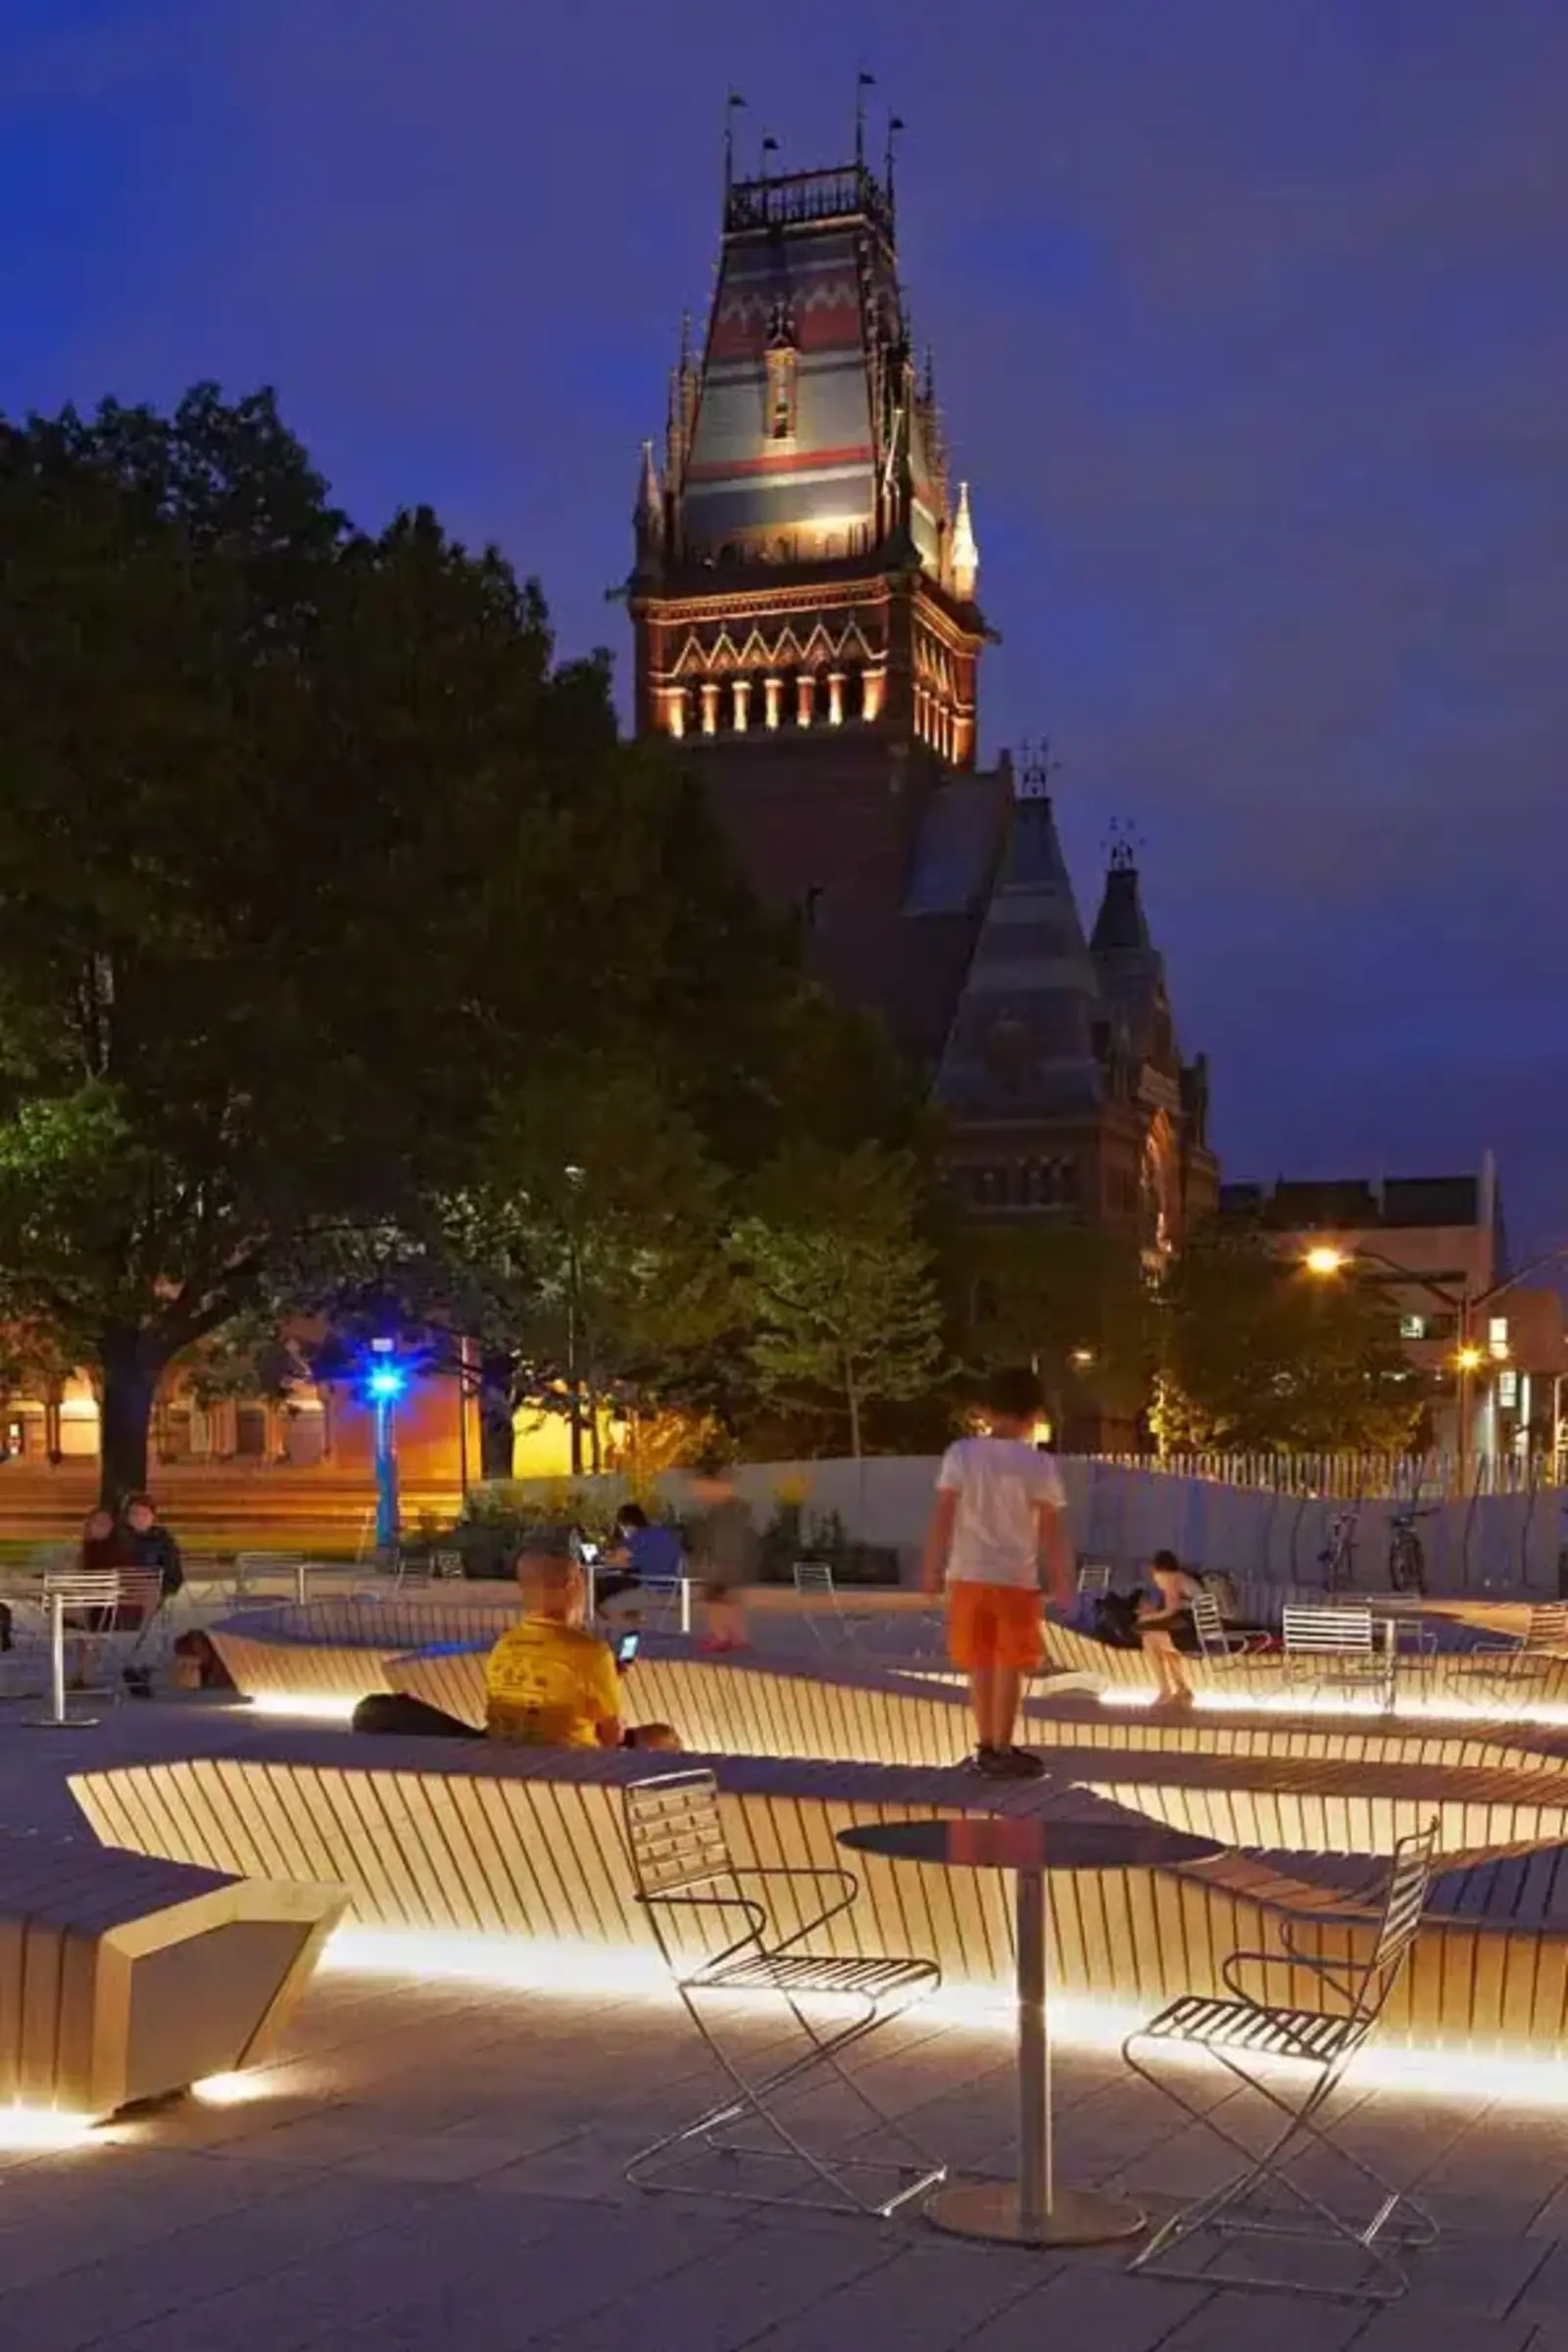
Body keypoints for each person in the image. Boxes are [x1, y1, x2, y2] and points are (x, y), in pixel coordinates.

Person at [921, 1366, 1072, 1779]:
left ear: (986, 1410)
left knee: (980, 1662)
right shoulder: (1037, 1465)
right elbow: (1052, 1530)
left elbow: (943, 1514)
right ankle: (1003, 1748)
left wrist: (931, 1566)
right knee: (1010, 1663)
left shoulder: (961, 1455)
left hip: (966, 1574)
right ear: (1034, 1415)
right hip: (1014, 1578)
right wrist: (1061, 1580)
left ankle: (985, 1743)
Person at [484, 1539, 624, 1748]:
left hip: (506, 1765)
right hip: (572, 1771)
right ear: (572, 1587)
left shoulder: (502, 1646)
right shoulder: (591, 1652)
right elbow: (611, 1737)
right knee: (661, 1737)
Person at [687, 1462, 756, 1653]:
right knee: (729, 1601)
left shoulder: (720, 1511)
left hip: (722, 1563)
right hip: (731, 1563)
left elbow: (718, 1540)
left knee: (715, 1600)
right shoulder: (734, 1508)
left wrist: (710, 1563)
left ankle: (721, 1636)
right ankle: (736, 1637)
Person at [1137, 1549, 1205, 1705]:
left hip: (1193, 1636)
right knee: (1165, 1644)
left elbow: (1171, 1610)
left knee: (1149, 1641)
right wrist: (1154, 1614)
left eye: (1154, 1575)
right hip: (1197, 1631)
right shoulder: (1181, 1578)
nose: (1155, 1580)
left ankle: (1164, 1690)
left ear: (1157, 1570)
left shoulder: (1171, 1579)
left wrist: (1147, 1617)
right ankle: (1182, 1689)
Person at [597, 1501, 683, 1617]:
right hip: (676, 1592)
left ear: (625, 1524)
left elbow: (617, 1560)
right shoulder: (663, 1533)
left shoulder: (639, 1536)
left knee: (605, 1607)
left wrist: (601, 1558)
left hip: (653, 1591)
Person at [122, 1494, 184, 1599]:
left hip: (151, 1594)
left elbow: (174, 1576)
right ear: (127, 1517)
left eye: (145, 1514)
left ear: (153, 1517)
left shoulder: (164, 1541)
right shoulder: (118, 1538)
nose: (140, 1518)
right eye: (135, 1514)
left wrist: (157, 1590)